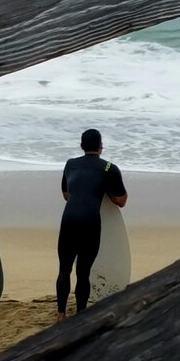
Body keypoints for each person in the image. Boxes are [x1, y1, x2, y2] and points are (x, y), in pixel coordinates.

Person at [56, 128, 128, 322]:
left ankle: (61, 314)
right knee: (83, 272)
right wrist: (106, 192)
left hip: (69, 218)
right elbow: (121, 200)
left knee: (64, 269)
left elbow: (66, 194)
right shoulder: (108, 168)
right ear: (101, 146)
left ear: (81, 146)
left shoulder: (70, 164)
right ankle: (80, 315)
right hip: (90, 220)